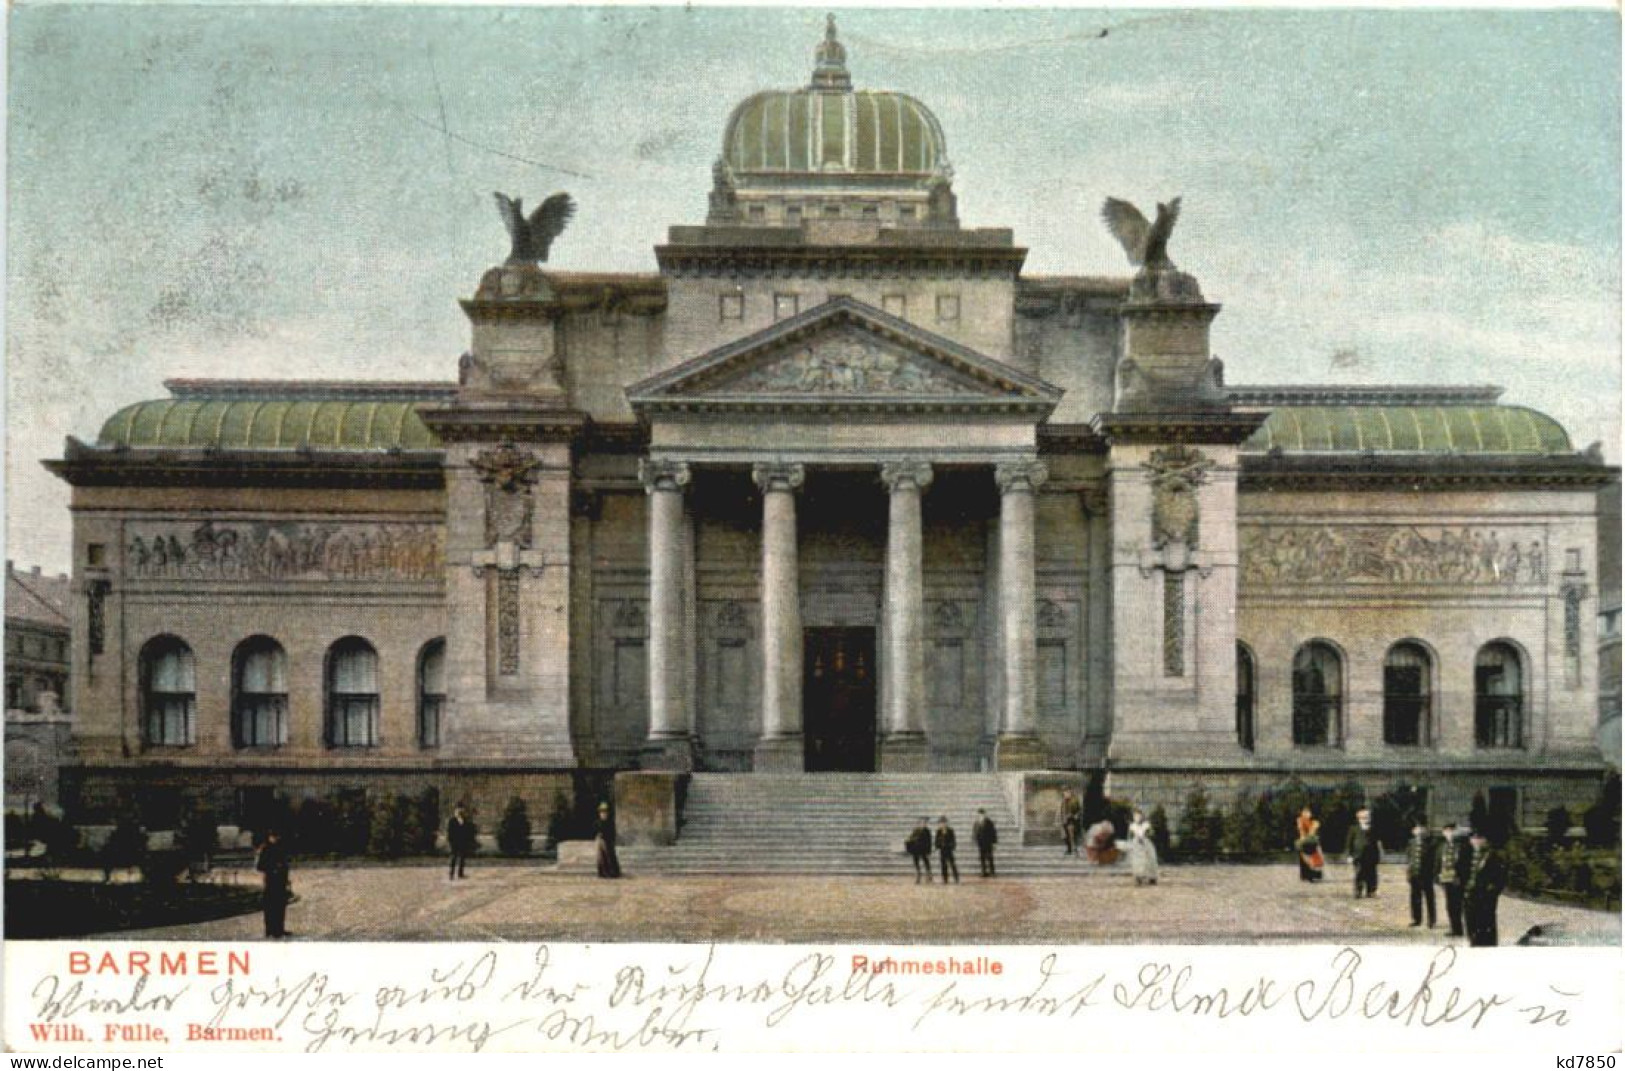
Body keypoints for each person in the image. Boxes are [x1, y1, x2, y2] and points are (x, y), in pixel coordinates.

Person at [1465, 831, 1508, 947]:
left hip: (1486, 895)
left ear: (1485, 840)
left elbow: (1501, 876)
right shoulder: (1467, 854)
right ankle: (1474, 941)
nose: (1476, 841)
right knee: (1471, 919)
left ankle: (1488, 943)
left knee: (1486, 919)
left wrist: (1493, 890)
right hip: (1470, 893)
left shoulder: (1492, 855)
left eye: (1479, 838)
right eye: (1473, 839)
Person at [255, 829, 293, 939]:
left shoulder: (280, 848)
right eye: (273, 836)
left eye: (277, 837)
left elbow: (285, 865)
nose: (275, 839)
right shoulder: (265, 849)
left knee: (280, 906)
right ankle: (270, 930)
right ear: (269, 837)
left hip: (280, 881)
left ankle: (279, 929)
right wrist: (273, 868)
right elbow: (260, 866)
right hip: (271, 881)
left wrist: (286, 879)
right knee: (270, 906)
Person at [1438, 823, 1473, 937]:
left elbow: (1466, 863)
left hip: (1459, 879)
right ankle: (1456, 929)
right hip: (1446, 879)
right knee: (1451, 905)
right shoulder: (1443, 846)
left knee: (1464, 905)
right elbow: (1439, 862)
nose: (1449, 833)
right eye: (1446, 831)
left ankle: (1469, 929)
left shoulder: (1463, 846)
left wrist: (1461, 877)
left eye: (1451, 831)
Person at [1405, 820, 1440, 928]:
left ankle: (1431, 920)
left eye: (1421, 829)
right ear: (1413, 831)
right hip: (1415, 874)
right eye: (1417, 829)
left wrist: (1434, 874)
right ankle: (1416, 919)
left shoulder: (1431, 843)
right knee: (1415, 898)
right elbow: (1409, 859)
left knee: (1429, 898)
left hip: (1427, 875)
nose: (1419, 831)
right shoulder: (1411, 842)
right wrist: (1409, 873)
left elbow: (1435, 860)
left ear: (1425, 830)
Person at [1347, 808, 1380, 898]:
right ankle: (1358, 891)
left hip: (1371, 855)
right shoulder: (1354, 828)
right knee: (1359, 874)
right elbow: (1349, 843)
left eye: (1368, 817)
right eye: (1365, 817)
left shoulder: (1373, 828)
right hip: (1358, 855)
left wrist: (1378, 855)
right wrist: (1349, 855)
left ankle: (1371, 891)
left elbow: (1376, 842)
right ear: (1360, 818)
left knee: (1371, 874)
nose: (1367, 819)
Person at [1129, 810, 1159, 886]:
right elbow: (1130, 835)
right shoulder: (1132, 826)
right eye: (1135, 816)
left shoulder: (1146, 825)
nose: (1137, 818)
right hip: (1136, 844)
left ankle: (1152, 877)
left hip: (1146, 843)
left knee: (1150, 859)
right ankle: (1138, 877)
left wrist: (1145, 837)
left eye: (1138, 816)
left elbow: (1151, 833)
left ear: (1142, 816)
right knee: (1138, 861)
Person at [447, 805, 477, 880]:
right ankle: (451, 874)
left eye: (461, 812)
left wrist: (468, 841)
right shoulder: (452, 821)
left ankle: (460, 873)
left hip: (462, 842)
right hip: (454, 843)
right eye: (458, 812)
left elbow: (468, 831)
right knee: (453, 858)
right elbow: (450, 832)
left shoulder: (465, 820)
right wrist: (451, 841)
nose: (460, 813)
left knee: (462, 858)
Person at [1295, 807, 1325, 882]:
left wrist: (1313, 832)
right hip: (1304, 842)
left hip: (1311, 842)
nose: (1307, 814)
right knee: (1304, 859)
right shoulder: (1300, 820)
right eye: (1305, 813)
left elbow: (1314, 831)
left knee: (1313, 859)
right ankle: (1305, 875)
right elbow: (1301, 830)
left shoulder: (1314, 821)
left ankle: (1312, 875)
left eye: (1308, 813)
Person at [594, 802, 621, 879]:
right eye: (602, 812)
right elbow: (596, 831)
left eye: (604, 812)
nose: (603, 814)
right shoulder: (598, 822)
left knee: (610, 856)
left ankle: (612, 872)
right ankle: (603, 872)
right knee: (601, 857)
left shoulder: (610, 822)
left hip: (608, 841)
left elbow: (612, 832)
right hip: (601, 841)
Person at [906, 817, 934, 883]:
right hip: (916, 849)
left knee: (926, 862)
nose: (923, 824)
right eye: (922, 823)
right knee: (916, 862)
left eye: (925, 823)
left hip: (924, 849)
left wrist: (929, 851)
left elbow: (929, 842)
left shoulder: (927, 831)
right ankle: (918, 875)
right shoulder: (915, 830)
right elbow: (911, 838)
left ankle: (929, 875)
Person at [972, 808, 998, 878]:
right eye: (979, 814)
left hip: (988, 842)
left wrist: (994, 842)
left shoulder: (989, 822)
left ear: (984, 814)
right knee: (982, 858)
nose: (981, 816)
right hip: (980, 843)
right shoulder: (976, 823)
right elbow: (974, 832)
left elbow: (993, 833)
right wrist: (974, 840)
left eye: (982, 814)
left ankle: (992, 872)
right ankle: (984, 872)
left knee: (990, 857)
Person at [935, 816, 960, 885]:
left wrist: (951, 846)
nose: (942, 825)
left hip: (949, 850)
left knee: (952, 864)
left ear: (946, 823)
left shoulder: (950, 830)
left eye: (944, 823)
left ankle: (956, 878)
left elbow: (953, 840)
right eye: (941, 823)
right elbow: (936, 841)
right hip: (942, 850)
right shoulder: (938, 831)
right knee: (943, 865)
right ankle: (945, 879)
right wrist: (938, 845)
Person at [1060, 789, 1083, 856]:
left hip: (1072, 821)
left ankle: (1075, 850)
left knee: (1072, 836)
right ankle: (1069, 849)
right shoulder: (1063, 801)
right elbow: (1061, 811)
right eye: (1064, 793)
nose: (1065, 794)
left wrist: (1075, 815)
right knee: (1065, 836)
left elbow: (1079, 810)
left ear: (1070, 793)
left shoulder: (1075, 801)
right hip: (1065, 821)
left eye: (1067, 793)